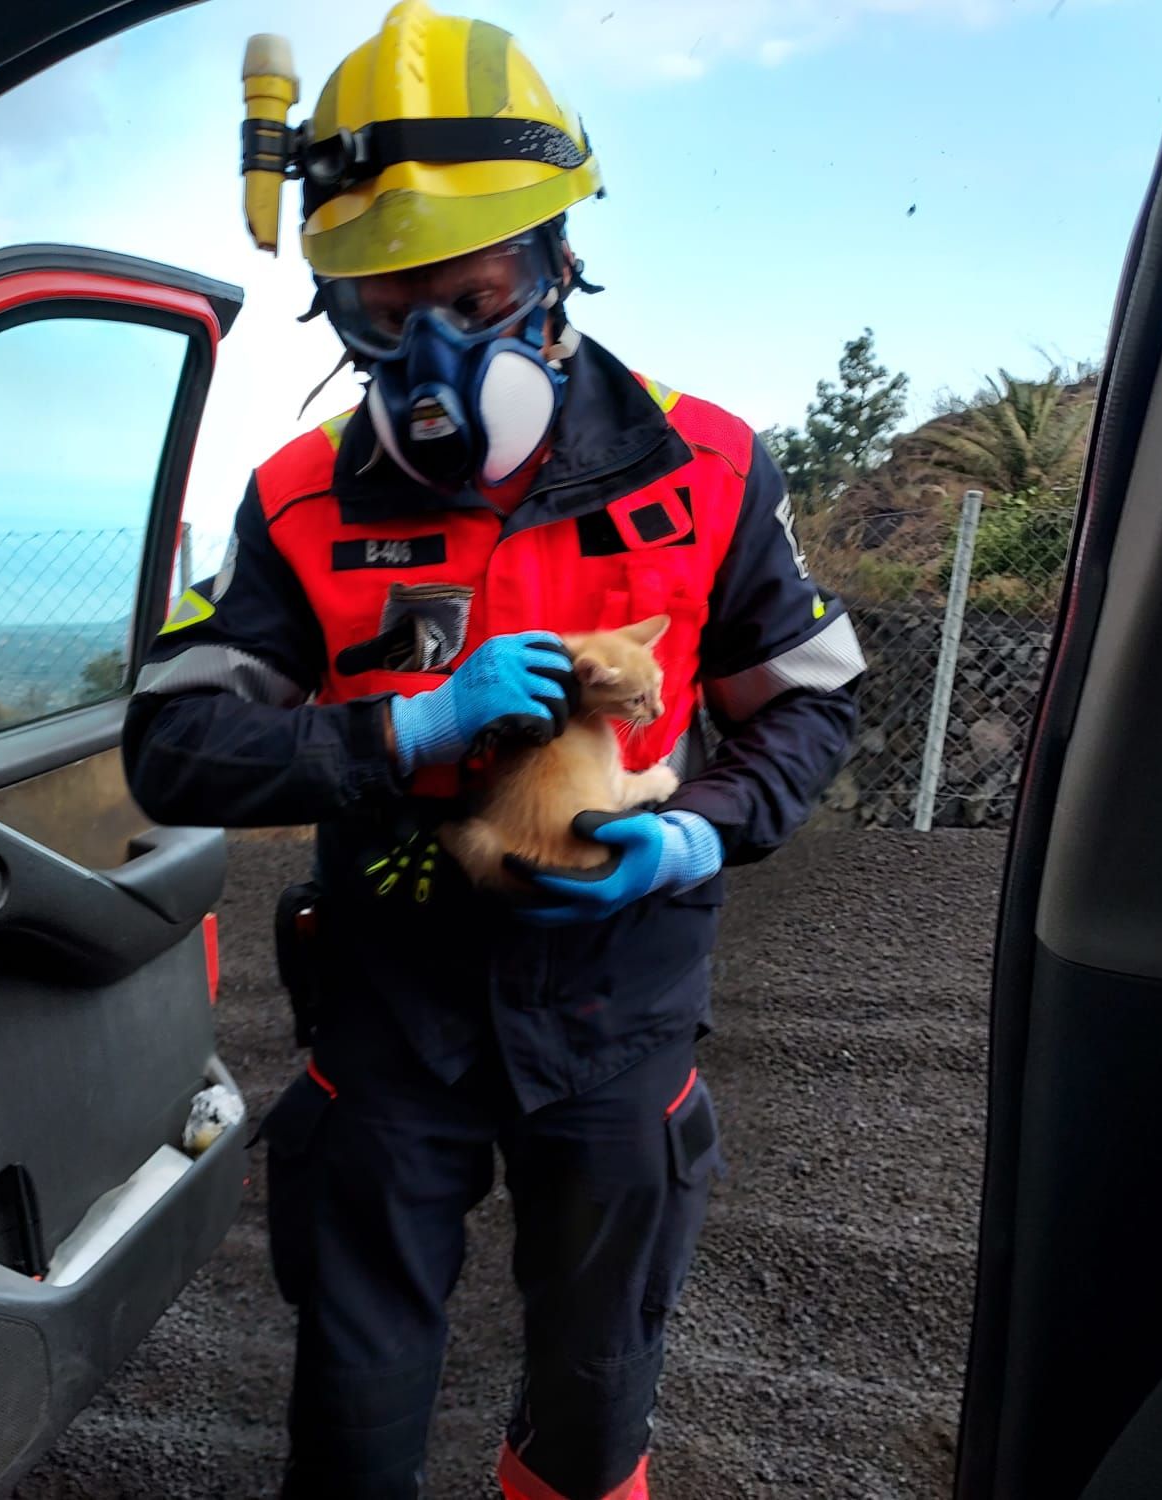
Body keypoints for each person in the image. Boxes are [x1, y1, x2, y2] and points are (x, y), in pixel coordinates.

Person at [124, 4, 864, 1495]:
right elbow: (175, 751)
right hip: (391, 1016)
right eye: (384, 316)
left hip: (619, 1014)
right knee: (356, 1395)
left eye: (475, 294)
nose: (434, 358)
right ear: (333, 305)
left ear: (558, 263)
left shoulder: (701, 467)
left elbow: (809, 702)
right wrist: (395, 731)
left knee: (597, 1385)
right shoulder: (297, 502)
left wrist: (702, 829)